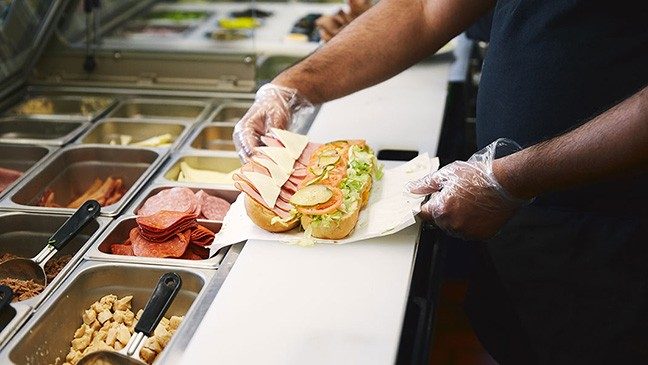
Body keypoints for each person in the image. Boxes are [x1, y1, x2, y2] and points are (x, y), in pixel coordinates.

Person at [233, 0, 648, 363]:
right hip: (518, 222)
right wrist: (292, 86)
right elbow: (424, 10)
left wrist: (512, 178)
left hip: (617, 233)